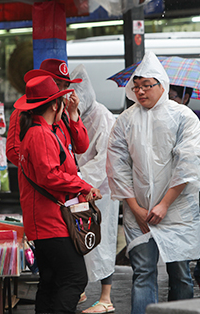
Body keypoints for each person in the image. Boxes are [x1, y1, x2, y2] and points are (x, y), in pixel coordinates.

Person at [106, 52, 200, 314]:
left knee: (181, 274)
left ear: (162, 85)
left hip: (176, 211)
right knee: (143, 273)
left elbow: (189, 164)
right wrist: (135, 207)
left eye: (146, 85)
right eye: (136, 86)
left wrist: (164, 205)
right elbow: (117, 166)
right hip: (137, 211)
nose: (140, 92)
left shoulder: (183, 117)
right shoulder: (126, 120)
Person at [16, 75, 103, 314]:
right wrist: (83, 186)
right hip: (50, 220)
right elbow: (50, 176)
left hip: (44, 220)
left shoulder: (41, 130)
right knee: (75, 278)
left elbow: (79, 146)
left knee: (52, 282)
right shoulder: (41, 134)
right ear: (55, 104)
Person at [70, 65, 120, 314]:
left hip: (101, 190)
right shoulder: (73, 117)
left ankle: (106, 297)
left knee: (102, 240)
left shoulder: (102, 117)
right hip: (81, 187)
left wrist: (80, 179)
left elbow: (105, 159)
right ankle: (81, 288)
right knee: (79, 238)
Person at [168, 85, 200, 298]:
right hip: (174, 185)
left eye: (173, 97)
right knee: (179, 231)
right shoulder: (163, 119)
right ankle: (181, 277)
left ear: (186, 97)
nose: (169, 101)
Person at [6, 58, 88, 167]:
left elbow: (81, 147)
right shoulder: (24, 110)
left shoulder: (65, 109)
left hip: (63, 180)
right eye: (58, 84)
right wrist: (42, 171)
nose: (62, 91)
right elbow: (13, 151)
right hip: (44, 181)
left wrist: (74, 115)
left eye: (66, 86)